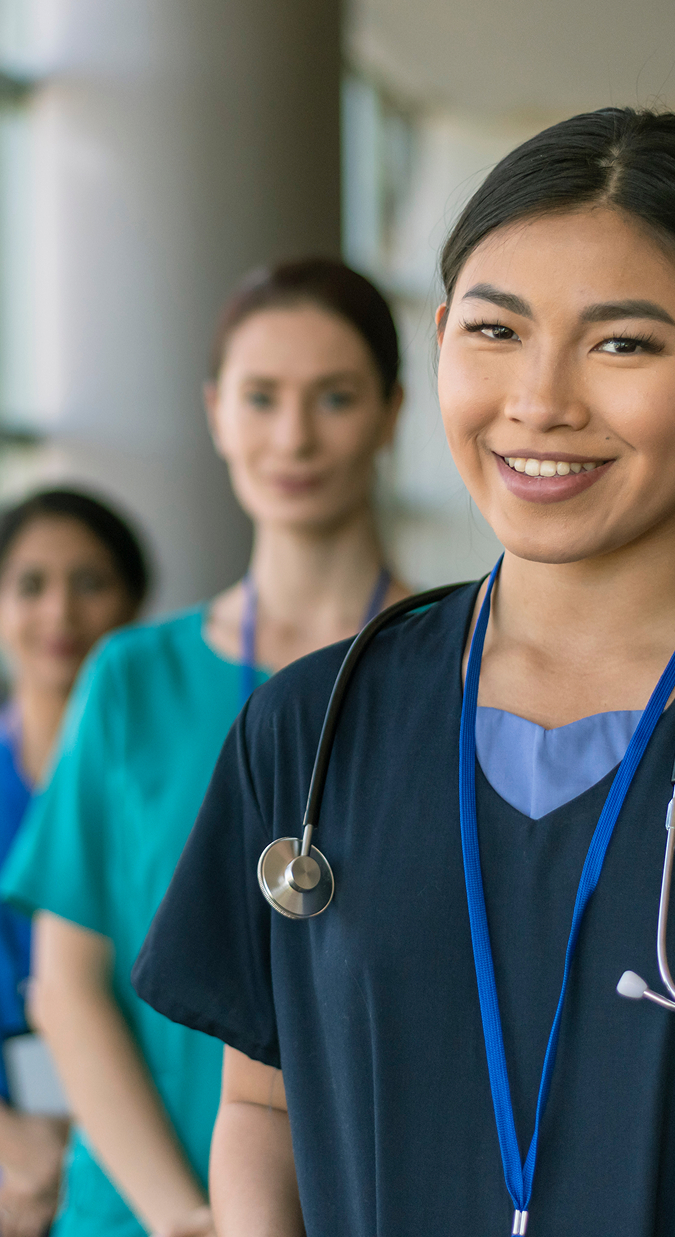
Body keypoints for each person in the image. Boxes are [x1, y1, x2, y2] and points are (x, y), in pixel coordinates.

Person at [132, 108, 675, 1237]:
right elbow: (262, 1092)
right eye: (496, 332)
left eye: (623, 343)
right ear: (442, 333)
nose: (539, 401)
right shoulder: (314, 722)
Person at [1, 260, 408, 1237]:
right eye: (261, 398)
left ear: (395, 412)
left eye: (336, 397)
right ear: (217, 411)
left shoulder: (453, 673)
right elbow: (67, 983)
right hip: (138, 1208)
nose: (293, 436)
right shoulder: (131, 678)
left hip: (363, 1201)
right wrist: (182, 1214)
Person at [0, 488, 148, 1237]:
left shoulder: (164, 790)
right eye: (31, 584)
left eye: (91, 582)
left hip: (143, 1149)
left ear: (133, 603)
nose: (60, 612)